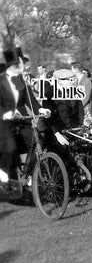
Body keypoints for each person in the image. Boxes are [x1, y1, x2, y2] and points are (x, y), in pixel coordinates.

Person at [0, 50, 51, 178]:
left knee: (37, 140)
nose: (24, 66)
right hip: (5, 122)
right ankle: (7, 179)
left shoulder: (21, 80)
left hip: (22, 120)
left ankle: (28, 175)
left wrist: (40, 110)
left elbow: (31, 101)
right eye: (21, 63)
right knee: (10, 148)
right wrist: (6, 113)